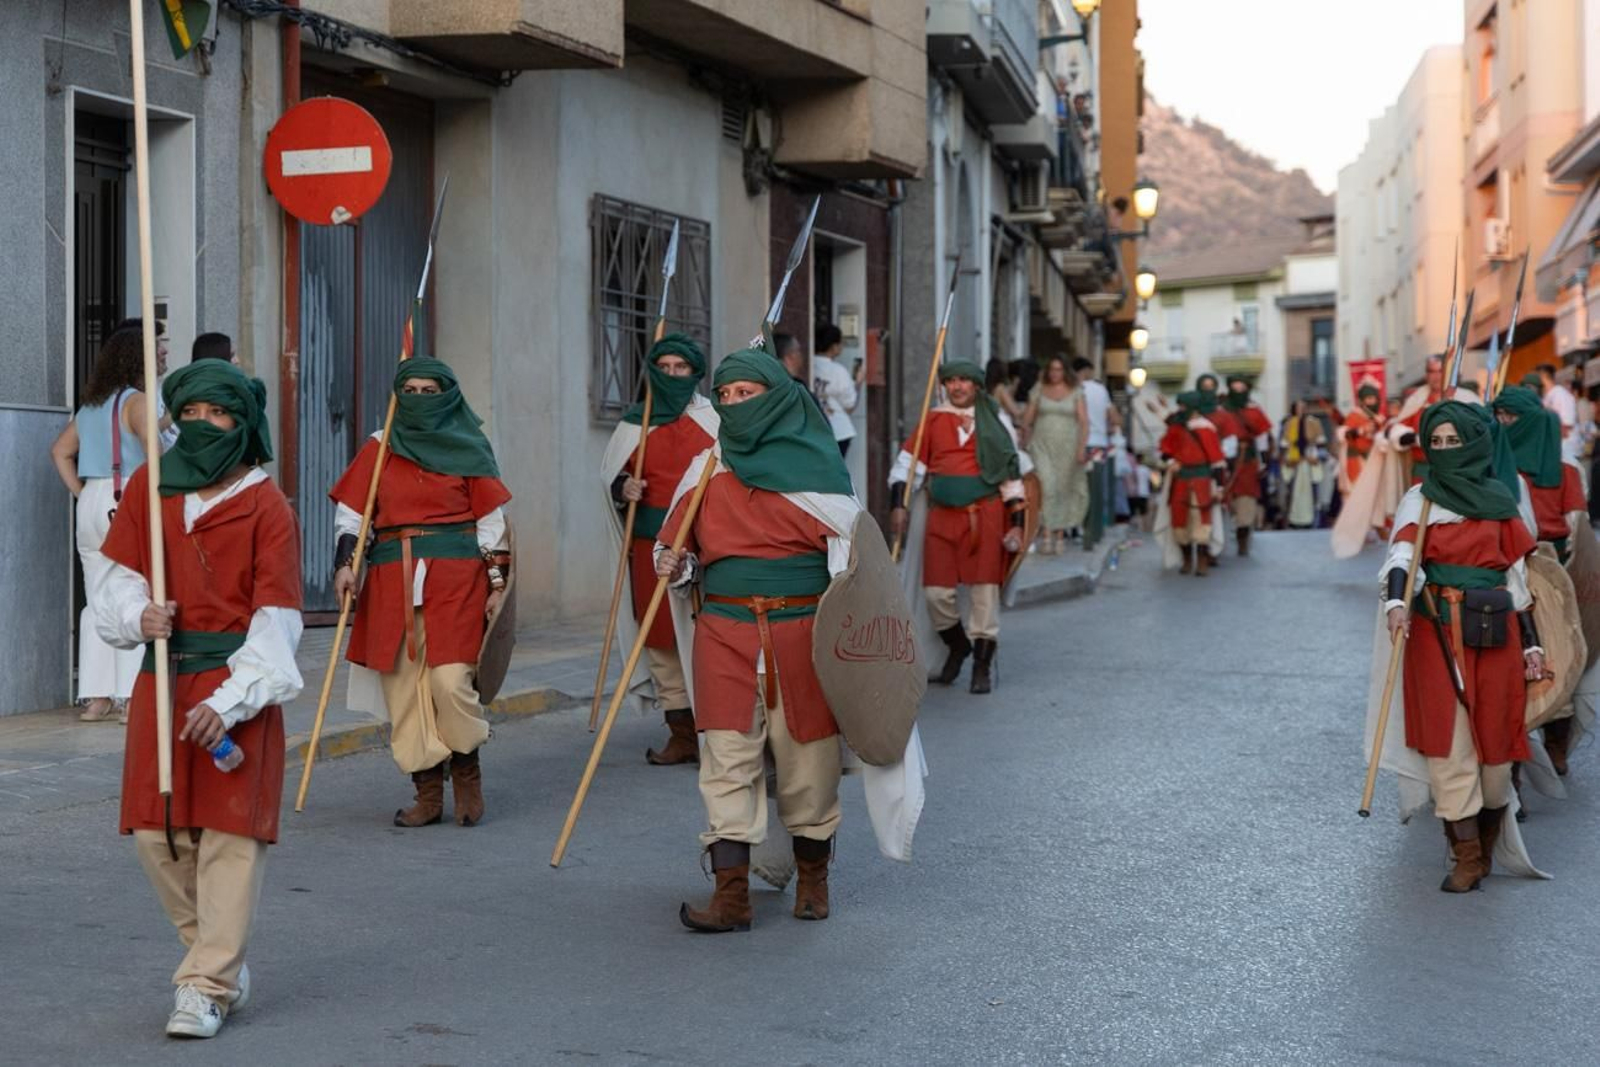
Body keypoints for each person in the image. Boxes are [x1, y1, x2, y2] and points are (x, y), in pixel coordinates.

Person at [92, 360, 303, 1037]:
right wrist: (138, 615)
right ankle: (221, 953)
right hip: (161, 680)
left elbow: (278, 620)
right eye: (193, 413)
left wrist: (236, 697)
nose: (204, 425)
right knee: (159, 835)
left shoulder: (266, 504)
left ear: (243, 424)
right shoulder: (152, 489)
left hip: (234, 684)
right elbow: (117, 578)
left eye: (219, 415)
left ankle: (206, 983)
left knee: (230, 839)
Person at [653, 349, 860, 932]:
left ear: (779, 397)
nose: (735, 404)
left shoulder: (820, 471)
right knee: (725, 758)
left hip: (802, 635)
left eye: (748, 393)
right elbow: (677, 547)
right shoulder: (705, 469)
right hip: (724, 631)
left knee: (809, 764)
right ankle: (731, 897)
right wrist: (677, 563)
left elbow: (853, 570)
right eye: (727, 395)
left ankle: (814, 879)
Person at [330, 357, 511, 828]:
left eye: (429, 391)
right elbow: (354, 515)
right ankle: (427, 791)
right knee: (405, 691)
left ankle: (466, 768)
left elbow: (491, 522)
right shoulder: (380, 446)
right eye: (409, 390)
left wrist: (498, 585)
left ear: (447, 395)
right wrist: (346, 565)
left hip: (458, 579)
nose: (419, 398)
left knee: (450, 681)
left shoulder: (470, 445)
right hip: (391, 578)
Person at [1377, 401, 1543, 893]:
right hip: (1435, 632)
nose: (1446, 450)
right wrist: (1395, 605)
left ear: (1474, 443)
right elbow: (1402, 555)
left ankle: (1487, 842)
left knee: (1496, 752)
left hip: (1494, 634)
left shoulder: (1498, 498)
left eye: (1455, 441)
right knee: (1450, 745)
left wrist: (1532, 646)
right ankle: (1465, 854)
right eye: (1438, 442)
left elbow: (1518, 581)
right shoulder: (1420, 498)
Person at [600, 334, 717, 765]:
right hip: (649, 546)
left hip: (704, 549)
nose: (670, 375)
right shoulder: (636, 422)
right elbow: (613, 476)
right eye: (663, 367)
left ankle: (718, 732)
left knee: (708, 636)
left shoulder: (715, 421)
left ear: (695, 373)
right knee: (661, 640)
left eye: (679, 368)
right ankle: (682, 733)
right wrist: (621, 486)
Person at [50, 327, 168, 723]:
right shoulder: (138, 403)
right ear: (139, 359)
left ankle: (97, 697)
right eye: (156, 351)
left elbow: (60, 452)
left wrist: (84, 494)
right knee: (135, 589)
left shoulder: (93, 407)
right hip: (128, 499)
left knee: (98, 596)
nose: (161, 357)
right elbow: (155, 456)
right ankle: (132, 695)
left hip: (94, 500)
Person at [890, 361, 1027, 693]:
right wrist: (898, 505)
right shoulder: (933, 420)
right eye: (951, 381)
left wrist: (1018, 525)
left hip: (987, 516)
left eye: (964, 380)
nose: (957, 386)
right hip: (942, 516)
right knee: (936, 593)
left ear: (977, 386)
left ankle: (981, 666)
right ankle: (959, 646)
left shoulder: (997, 423)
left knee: (984, 593)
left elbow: (1012, 477)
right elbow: (906, 467)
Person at [1492, 384, 1588, 776]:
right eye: (1498, 418)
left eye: (1510, 418)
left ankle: (1556, 741)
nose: (1503, 425)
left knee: (1559, 659)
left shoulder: (1565, 467)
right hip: (1508, 566)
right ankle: (1510, 758)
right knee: (1511, 662)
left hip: (1554, 568)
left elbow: (1578, 525)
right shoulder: (1495, 462)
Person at [1022, 355, 1088, 553]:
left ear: (1065, 371)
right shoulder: (1039, 390)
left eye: (1059, 369)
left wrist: (1081, 448)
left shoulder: (1076, 391)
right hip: (1042, 446)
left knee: (1062, 489)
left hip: (1068, 447)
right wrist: (1025, 439)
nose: (1055, 373)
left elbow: (1084, 422)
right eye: (1052, 369)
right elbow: (1027, 419)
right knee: (1047, 487)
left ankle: (1059, 535)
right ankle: (1045, 534)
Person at [1158, 392, 1226, 575]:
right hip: (1180, 480)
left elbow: (1217, 462)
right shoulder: (1176, 428)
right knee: (1179, 521)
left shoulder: (1206, 429)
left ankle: (1202, 561)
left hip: (1202, 481)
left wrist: (1219, 488)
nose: (1180, 410)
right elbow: (1165, 450)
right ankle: (1187, 559)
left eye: (1182, 407)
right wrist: (1171, 463)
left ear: (1192, 408)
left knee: (1201, 521)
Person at [1222, 375, 1274, 555]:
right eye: (1234, 387)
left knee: (1246, 501)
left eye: (1241, 388)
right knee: (1224, 501)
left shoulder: (1254, 411)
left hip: (1247, 461)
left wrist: (1265, 462)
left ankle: (1242, 538)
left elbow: (1262, 439)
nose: (1237, 391)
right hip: (1222, 463)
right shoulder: (1221, 410)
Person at [1072, 356, 1118, 550]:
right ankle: (1094, 534)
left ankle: (1078, 530)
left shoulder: (1073, 389)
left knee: (1078, 489)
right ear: (1088, 371)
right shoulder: (1101, 390)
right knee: (1096, 491)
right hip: (1099, 444)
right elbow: (1115, 419)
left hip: (1077, 443)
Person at [809, 324, 858, 458]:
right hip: (839, 430)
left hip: (813, 430)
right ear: (834, 346)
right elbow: (849, 404)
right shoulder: (838, 371)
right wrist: (858, 383)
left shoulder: (808, 366)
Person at [1281, 399, 1328, 529]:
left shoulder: (1314, 422)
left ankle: (1313, 521)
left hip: (1310, 460)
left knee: (1314, 492)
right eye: (1298, 407)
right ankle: (1291, 520)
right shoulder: (1289, 424)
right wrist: (1289, 459)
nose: (1301, 410)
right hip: (1294, 461)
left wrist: (1314, 457)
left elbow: (1321, 444)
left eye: (1303, 407)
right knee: (1292, 492)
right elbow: (1284, 445)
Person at [1537, 363, 1582, 464]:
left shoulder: (1560, 394)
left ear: (1543, 376)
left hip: (1567, 452)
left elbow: (1566, 425)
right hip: (1556, 452)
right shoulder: (1546, 397)